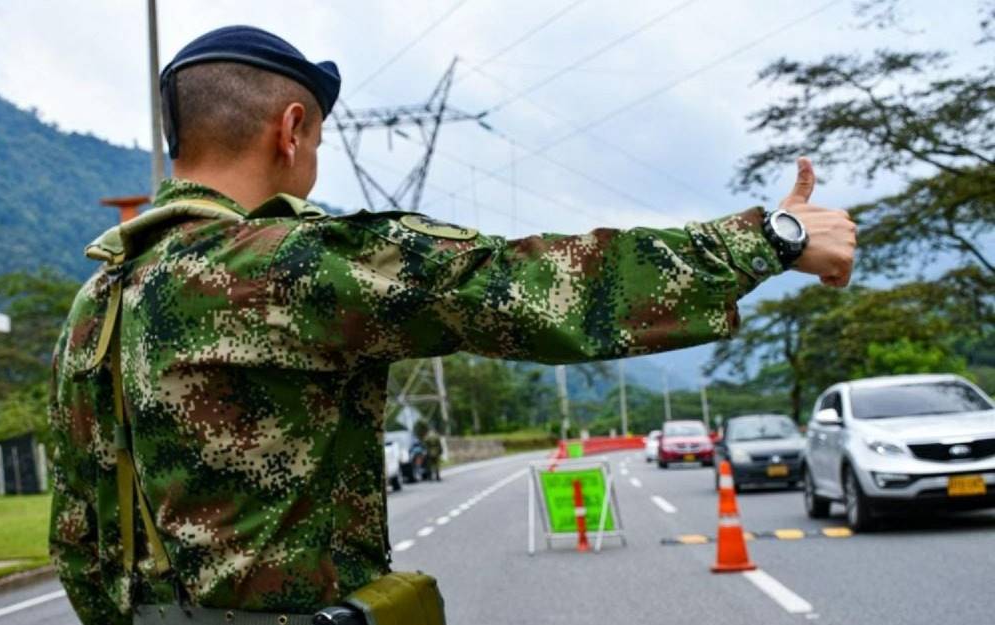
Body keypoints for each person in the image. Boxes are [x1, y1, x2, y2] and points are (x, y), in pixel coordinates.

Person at [48, 24, 856, 625]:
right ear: (291, 129)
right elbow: (531, 287)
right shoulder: (288, 265)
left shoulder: (98, 303)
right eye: (317, 141)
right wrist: (771, 240)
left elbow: (79, 543)